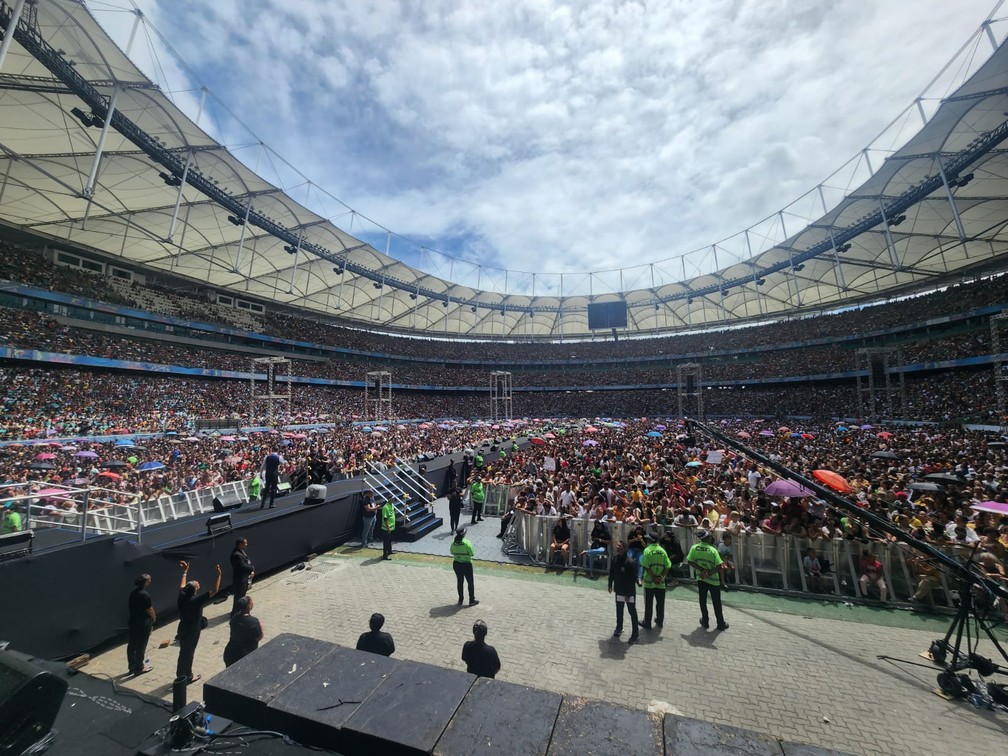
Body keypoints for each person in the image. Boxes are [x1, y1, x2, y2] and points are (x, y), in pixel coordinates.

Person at [176, 560, 221, 684]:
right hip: (193, 630)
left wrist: (185, 572)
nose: (198, 584)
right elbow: (215, 590)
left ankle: (180, 674)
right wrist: (218, 575)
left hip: (182, 627)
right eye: (197, 585)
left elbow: (182, 584)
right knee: (189, 652)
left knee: (183, 651)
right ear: (195, 590)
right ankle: (188, 676)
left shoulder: (182, 595)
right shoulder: (196, 600)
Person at [686, 529, 728, 631]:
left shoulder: (694, 548)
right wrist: (709, 573)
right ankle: (720, 623)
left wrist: (701, 570)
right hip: (713, 580)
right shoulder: (713, 550)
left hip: (701, 578)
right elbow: (719, 566)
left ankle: (705, 621)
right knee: (716, 602)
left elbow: (690, 561)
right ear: (708, 538)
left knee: (702, 600)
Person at [608, 540, 640, 644]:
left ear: (625, 549)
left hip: (628, 592)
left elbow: (632, 579)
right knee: (619, 609)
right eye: (617, 545)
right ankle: (619, 627)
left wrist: (628, 594)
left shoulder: (630, 562)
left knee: (632, 611)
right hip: (619, 590)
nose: (617, 547)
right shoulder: (615, 559)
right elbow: (612, 572)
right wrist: (610, 584)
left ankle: (635, 634)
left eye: (619, 546)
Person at [639, 534, 672, 630]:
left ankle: (647, 623)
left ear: (650, 540)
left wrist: (653, 577)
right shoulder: (663, 551)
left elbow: (645, 565)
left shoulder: (647, 550)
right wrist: (661, 577)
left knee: (648, 604)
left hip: (649, 583)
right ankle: (660, 621)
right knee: (660, 603)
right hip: (661, 584)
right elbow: (668, 566)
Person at [126, 573, 155, 676]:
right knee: (141, 646)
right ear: (146, 582)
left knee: (132, 645)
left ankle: (132, 666)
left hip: (133, 622)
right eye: (149, 580)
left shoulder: (132, 593)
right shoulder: (145, 595)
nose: (150, 581)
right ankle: (139, 668)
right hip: (143, 624)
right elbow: (149, 609)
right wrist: (153, 617)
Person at [223, 596, 263, 667]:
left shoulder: (234, 618)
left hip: (230, 654)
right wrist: (260, 626)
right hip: (244, 657)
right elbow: (259, 637)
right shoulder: (253, 622)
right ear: (249, 606)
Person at [450, 527, 479, 606]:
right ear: (464, 534)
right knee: (470, 582)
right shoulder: (466, 542)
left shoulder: (454, 542)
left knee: (460, 582)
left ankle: (460, 599)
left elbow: (451, 552)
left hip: (456, 564)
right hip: (466, 564)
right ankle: (471, 600)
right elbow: (472, 553)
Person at [230, 537, 255, 614]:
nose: (246, 545)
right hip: (240, 579)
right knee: (239, 596)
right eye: (245, 543)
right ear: (240, 544)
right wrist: (252, 568)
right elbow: (242, 567)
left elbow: (245, 561)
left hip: (244, 577)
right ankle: (236, 612)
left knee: (242, 595)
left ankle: (240, 609)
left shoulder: (241, 552)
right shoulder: (236, 555)